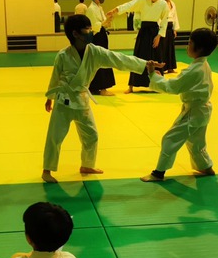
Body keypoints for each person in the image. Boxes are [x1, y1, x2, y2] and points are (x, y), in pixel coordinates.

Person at [41, 14, 164, 184]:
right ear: (76, 33)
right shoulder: (63, 55)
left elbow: (119, 59)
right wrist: (50, 97)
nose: (91, 31)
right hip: (64, 101)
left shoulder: (95, 51)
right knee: (55, 137)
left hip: (82, 100)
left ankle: (87, 165)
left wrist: (144, 65)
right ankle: (47, 170)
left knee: (91, 135)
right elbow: (55, 77)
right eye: (88, 29)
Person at [141, 28, 218, 182]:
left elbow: (173, 87)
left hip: (194, 111)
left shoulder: (194, 70)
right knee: (196, 142)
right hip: (202, 110)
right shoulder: (202, 65)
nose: (187, 45)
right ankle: (206, 167)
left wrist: (152, 75)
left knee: (170, 139)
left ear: (200, 48)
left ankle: (158, 173)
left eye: (190, 43)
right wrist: (157, 78)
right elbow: (177, 83)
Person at [107, 0, 169, 93]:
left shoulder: (163, 4)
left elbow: (164, 21)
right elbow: (129, 5)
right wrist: (116, 10)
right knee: (138, 57)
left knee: (156, 58)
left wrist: (159, 35)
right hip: (144, 31)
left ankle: (158, 85)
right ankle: (131, 85)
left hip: (155, 32)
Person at [86, 0, 115, 96]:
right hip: (96, 37)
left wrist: (108, 20)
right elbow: (94, 26)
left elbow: (103, 24)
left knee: (103, 60)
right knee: (100, 61)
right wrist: (104, 22)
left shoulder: (99, 8)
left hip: (102, 36)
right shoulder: (91, 9)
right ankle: (101, 88)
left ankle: (97, 87)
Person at [160, 0, 180, 73]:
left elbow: (175, 16)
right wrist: (160, 29)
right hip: (163, 26)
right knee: (163, 48)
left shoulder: (173, 3)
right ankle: (162, 67)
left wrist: (175, 29)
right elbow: (159, 17)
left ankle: (170, 67)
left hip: (170, 27)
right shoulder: (160, 3)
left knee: (170, 48)